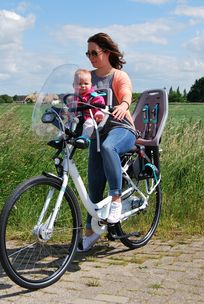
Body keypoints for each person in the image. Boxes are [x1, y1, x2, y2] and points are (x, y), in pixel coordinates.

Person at [78, 32, 137, 252]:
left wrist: (123, 105)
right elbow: (79, 98)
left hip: (122, 128)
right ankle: (90, 232)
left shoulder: (118, 76)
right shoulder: (88, 77)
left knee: (108, 147)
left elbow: (126, 93)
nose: (91, 57)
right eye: (88, 53)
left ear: (107, 52)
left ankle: (116, 200)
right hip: (98, 133)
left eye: (95, 52)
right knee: (93, 185)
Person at [72, 69, 105, 147]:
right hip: (77, 118)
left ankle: (84, 138)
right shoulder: (74, 97)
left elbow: (100, 105)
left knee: (89, 123)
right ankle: (61, 137)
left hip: (90, 117)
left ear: (91, 84)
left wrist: (98, 113)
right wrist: (67, 111)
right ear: (74, 85)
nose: (83, 86)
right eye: (79, 84)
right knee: (67, 124)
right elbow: (71, 106)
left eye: (86, 83)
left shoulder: (93, 95)